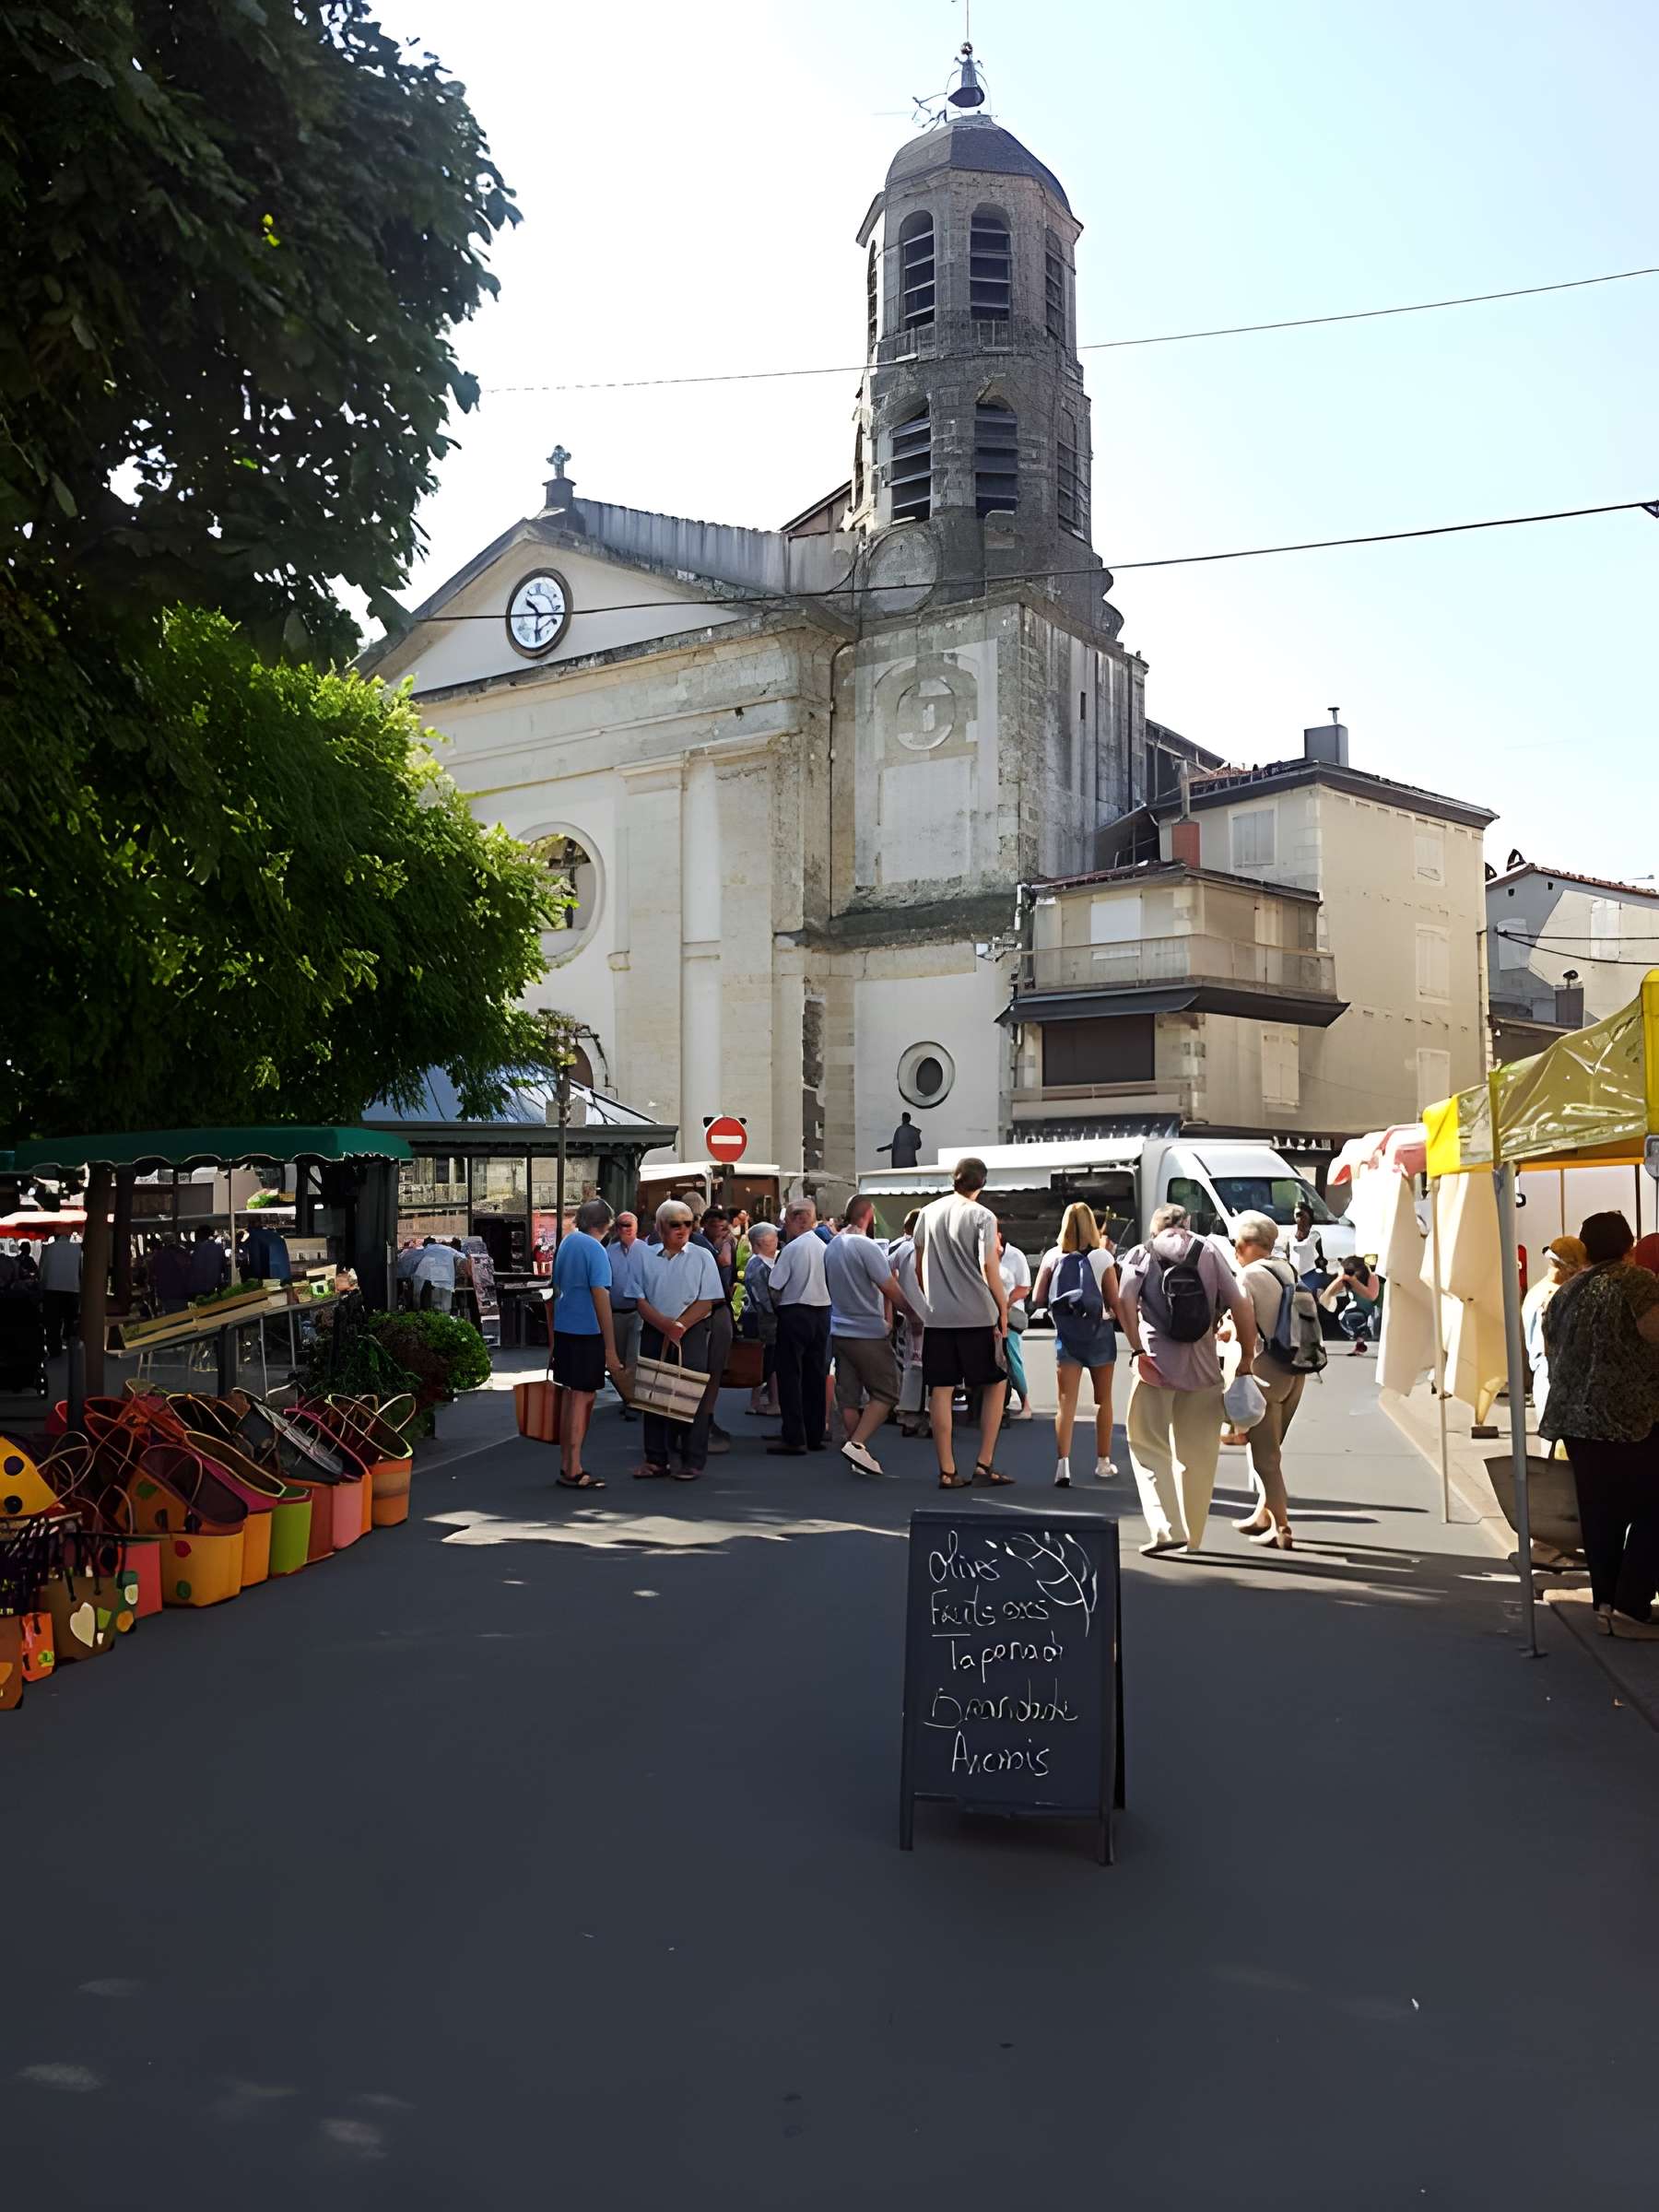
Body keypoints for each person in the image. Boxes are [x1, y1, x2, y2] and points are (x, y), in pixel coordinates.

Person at [1540, 1210, 1659, 1638]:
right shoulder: (1637, 1283)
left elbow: (1554, 1354)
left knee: (1601, 1515)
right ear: (1629, 1247)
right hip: (1628, 1420)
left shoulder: (1565, 1291)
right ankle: (1630, 1607)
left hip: (1574, 1419)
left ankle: (1606, 1604)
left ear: (1585, 1249)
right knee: (1653, 1508)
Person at [1118, 1202, 1257, 1557]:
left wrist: (1136, 1348)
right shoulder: (1208, 1249)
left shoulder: (1141, 1253)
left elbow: (1123, 1301)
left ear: (1154, 1227)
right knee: (1198, 1456)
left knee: (1147, 1444)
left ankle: (1167, 1528)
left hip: (1155, 1366)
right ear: (1187, 1224)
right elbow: (1240, 1304)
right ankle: (1193, 1539)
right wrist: (1247, 1357)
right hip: (1205, 1368)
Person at [912, 1158, 1010, 1488]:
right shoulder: (983, 1216)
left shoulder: (928, 1212)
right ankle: (984, 1462)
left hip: (938, 1314)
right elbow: (989, 1267)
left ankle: (947, 1469)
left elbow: (918, 1264)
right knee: (996, 1381)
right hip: (977, 1313)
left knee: (940, 1389)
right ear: (981, 1183)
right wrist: (1003, 1309)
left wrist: (931, 1298)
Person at [1033, 1201, 1123, 1488]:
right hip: (1099, 1332)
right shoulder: (1102, 1258)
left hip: (1067, 1333)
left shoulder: (1053, 1256)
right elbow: (1114, 1300)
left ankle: (1063, 1466)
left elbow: (1038, 1297)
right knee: (1103, 1400)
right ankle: (1103, 1462)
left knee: (1066, 1403)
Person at [1230, 1210, 1305, 1549]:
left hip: (1265, 1370)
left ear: (1245, 1244)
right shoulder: (1287, 1269)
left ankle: (1282, 1528)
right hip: (1297, 1368)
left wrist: (1242, 1358)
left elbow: (1245, 1325)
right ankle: (1263, 1514)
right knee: (1272, 1450)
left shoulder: (1247, 1277)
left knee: (1265, 1457)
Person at [636, 1200, 724, 1481]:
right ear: (661, 1227)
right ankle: (656, 1459)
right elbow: (639, 1299)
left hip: (692, 1331)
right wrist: (665, 1325)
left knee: (690, 1396)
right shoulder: (645, 1256)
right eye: (676, 1224)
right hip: (655, 1330)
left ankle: (692, 1461)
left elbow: (708, 1300)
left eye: (688, 1223)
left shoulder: (702, 1256)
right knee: (654, 1397)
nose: (683, 1229)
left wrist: (680, 1325)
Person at [547, 1199, 627, 1489]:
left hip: (566, 1328)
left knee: (572, 1396)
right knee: (582, 1398)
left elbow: (554, 1292)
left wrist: (553, 1341)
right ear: (606, 1225)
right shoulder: (595, 1249)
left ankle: (568, 1462)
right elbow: (601, 1297)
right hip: (587, 1331)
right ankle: (574, 1466)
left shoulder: (567, 1243)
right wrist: (610, 1347)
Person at [824, 1196, 905, 1477]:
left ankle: (857, 1453)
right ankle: (857, 1445)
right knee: (887, 1391)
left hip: (839, 1328)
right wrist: (914, 1314)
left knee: (849, 1396)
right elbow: (889, 1287)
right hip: (866, 1331)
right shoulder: (867, 1246)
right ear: (869, 1214)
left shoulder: (833, 1245)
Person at [767, 1200, 832, 1456]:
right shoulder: (825, 1246)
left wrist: (776, 1310)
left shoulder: (792, 1249)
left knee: (790, 1374)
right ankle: (814, 1433)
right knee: (815, 1374)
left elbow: (776, 1284)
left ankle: (794, 1435)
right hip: (822, 1311)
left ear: (794, 1219)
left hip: (796, 1311)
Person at [1523, 1234, 1586, 1426]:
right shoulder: (1551, 1297)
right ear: (1569, 1266)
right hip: (1554, 1380)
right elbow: (1550, 1349)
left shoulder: (1538, 1291)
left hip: (1549, 1378)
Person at [890, 1209, 929, 1438]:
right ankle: (930, 1415)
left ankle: (908, 1415)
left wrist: (898, 1301)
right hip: (933, 1316)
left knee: (911, 1366)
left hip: (908, 1314)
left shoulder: (902, 1249)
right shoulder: (936, 1250)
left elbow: (883, 1272)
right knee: (934, 1367)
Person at [606, 1212, 648, 1418]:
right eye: (623, 1225)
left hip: (638, 1312)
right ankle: (626, 1397)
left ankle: (633, 1403)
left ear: (637, 1226)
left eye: (630, 1224)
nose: (627, 1228)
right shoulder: (609, 1252)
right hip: (615, 1312)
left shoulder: (646, 1251)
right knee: (618, 1360)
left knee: (634, 1357)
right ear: (617, 1228)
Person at [742, 1223, 781, 1417]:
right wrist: (775, 1312)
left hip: (764, 1316)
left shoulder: (765, 1262)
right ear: (760, 1242)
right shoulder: (757, 1264)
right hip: (762, 1318)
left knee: (768, 1360)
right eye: (773, 1237)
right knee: (766, 1360)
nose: (776, 1240)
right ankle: (762, 1401)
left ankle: (764, 1400)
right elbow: (761, 1297)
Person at [997, 1233, 1033, 1419]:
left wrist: (1005, 1305)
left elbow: (1024, 1288)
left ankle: (1025, 1403)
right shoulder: (984, 1254)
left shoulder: (1015, 1256)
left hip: (1011, 1315)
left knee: (1012, 1356)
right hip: (991, 1314)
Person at [38, 1228, 83, 1358]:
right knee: (71, 1320)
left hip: (51, 1289)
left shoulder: (49, 1249)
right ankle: (71, 1345)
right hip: (73, 1289)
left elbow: (42, 1271)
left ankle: (54, 1349)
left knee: (53, 1323)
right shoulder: (77, 1249)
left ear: (55, 1237)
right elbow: (81, 1270)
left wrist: (41, 1288)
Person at [1327, 1253, 1382, 1354]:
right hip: (1364, 1306)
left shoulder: (1366, 1279)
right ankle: (1360, 1340)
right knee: (1350, 1316)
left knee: (1352, 1315)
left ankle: (1362, 1336)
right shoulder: (1352, 1282)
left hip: (1369, 1306)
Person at [1281, 1204, 1330, 1290]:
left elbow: (1321, 1258)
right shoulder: (1290, 1235)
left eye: (1301, 1215)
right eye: (1296, 1215)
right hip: (1293, 1276)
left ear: (1309, 1216)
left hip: (1309, 1274)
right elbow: (1287, 1254)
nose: (1299, 1218)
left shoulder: (1315, 1235)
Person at [414, 1233, 457, 1312]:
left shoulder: (427, 1255)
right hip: (446, 1282)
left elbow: (420, 1274)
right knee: (445, 1306)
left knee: (436, 1306)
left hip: (433, 1285)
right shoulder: (446, 1252)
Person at [148, 1236, 192, 1313]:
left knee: (171, 1317)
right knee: (182, 1318)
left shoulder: (158, 1256)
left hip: (166, 1294)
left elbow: (153, 1276)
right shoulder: (182, 1253)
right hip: (181, 1292)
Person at [187, 1225, 229, 1299]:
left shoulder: (197, 1249)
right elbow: (224, 1269)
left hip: (198, 1289)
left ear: (199, 1236)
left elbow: (192, 1269)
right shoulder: (218, 1248)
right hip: (214, 1288)